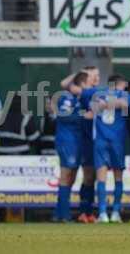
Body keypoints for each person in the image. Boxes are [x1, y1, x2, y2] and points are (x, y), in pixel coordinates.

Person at [83, 74, 128, 223]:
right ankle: (114, 212)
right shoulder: (122, 94)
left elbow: (94, 107)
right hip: (115, 141)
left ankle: (104, 213)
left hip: (102, 140)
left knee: (102, 175)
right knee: (117, 176)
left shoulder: (98, 94)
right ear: (119, 84)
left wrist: (105, 103)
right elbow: (125, 104)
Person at [61, 66, 100, 223]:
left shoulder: (97, 92)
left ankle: (88, 211)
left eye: (97, 75)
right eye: (93, 76)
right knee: (87, 175)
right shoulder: (82, 93)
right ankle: (84, 211)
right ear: (86, 79)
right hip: (86, 141)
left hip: (98, 140)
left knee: (93, 177)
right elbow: (64, 84)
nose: (96, 78)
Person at [53, 72, 92, 222]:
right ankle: (64, 215)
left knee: (71, 178)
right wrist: (83, 115)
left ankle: (59, 214)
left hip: (76, 142)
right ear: (82, 84)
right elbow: (64, 115)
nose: (91, 86)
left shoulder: (81, 98)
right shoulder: (67, 97)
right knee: (66, 176)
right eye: (89, 82)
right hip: (67, 141)